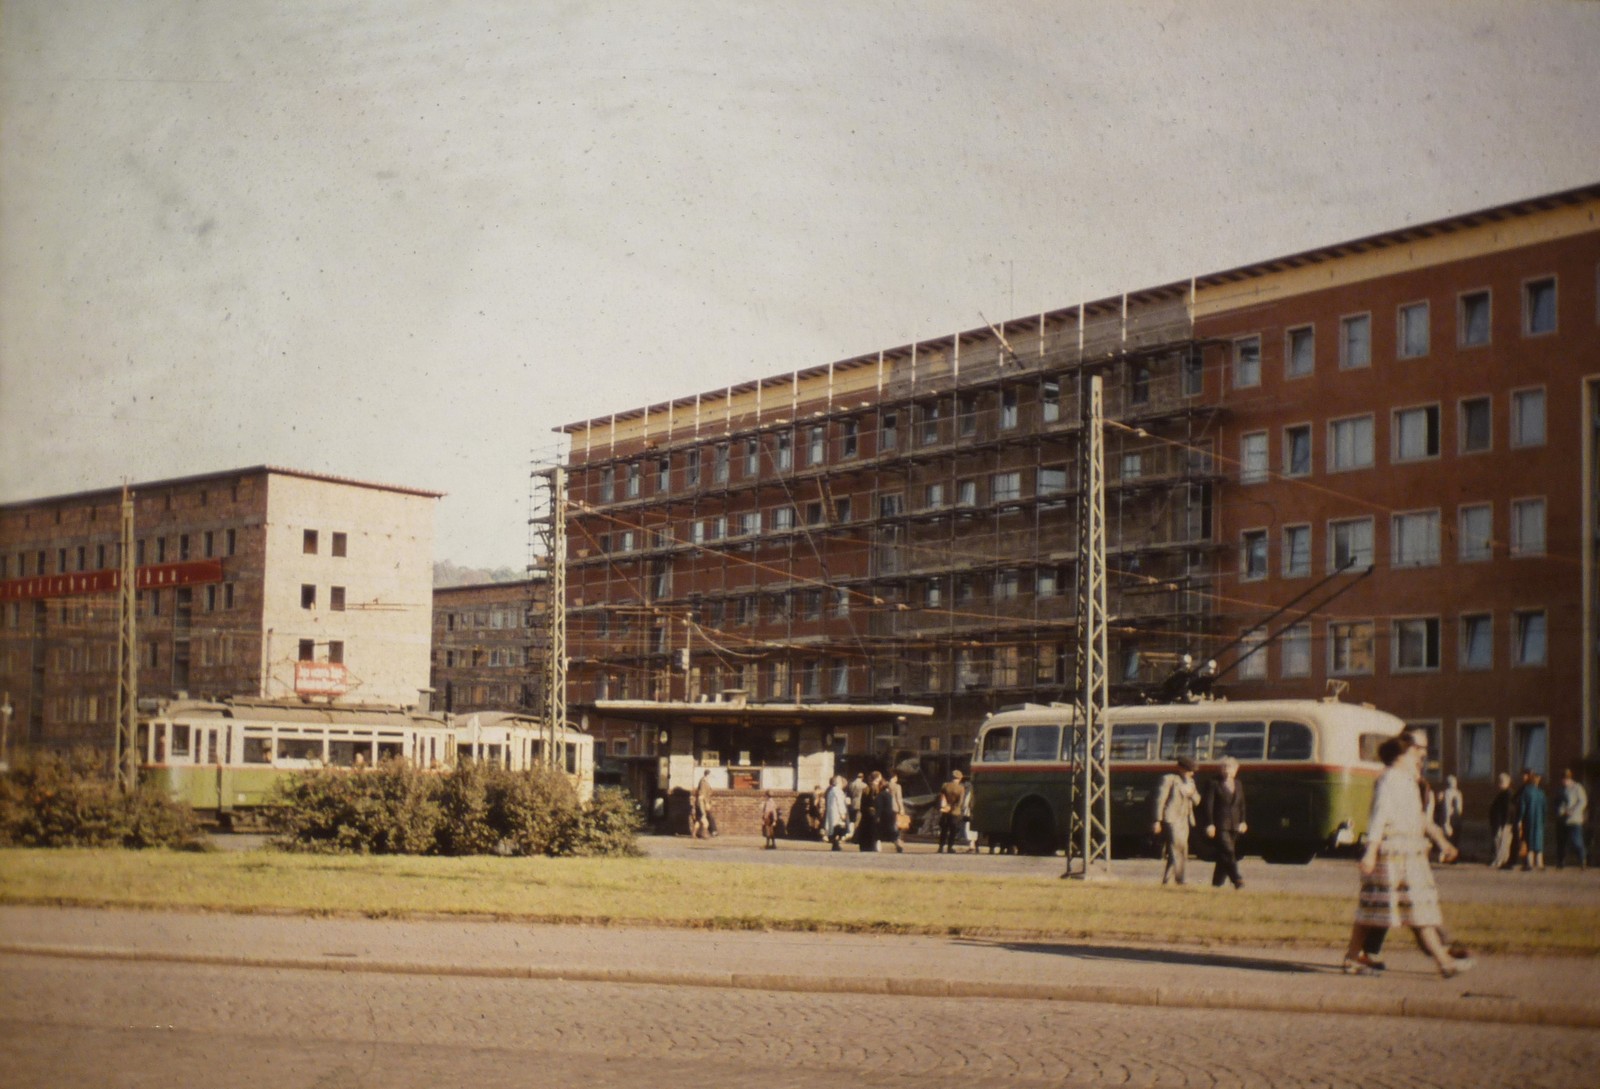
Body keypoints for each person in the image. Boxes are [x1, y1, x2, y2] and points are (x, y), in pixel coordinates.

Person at [1343, 735, 1469, 978]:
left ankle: (1443, 962)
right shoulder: (1389, 778)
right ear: (1401, 755)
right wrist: (1371, 851)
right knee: (1376, 910)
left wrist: (1442, 842)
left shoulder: (1407, 780)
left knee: (1406, 909)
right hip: (1391, 853)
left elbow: (1419, 818)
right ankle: (1444, 962)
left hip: (1409, 853)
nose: (1420, 757)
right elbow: (1379, 815)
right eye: (1415, 752)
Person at [1153, 755, 1200, 885]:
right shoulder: (1169, 779)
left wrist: (1192, 793)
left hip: (1185, 818)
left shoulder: (1191, 783)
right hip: (1172, 818)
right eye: (1189, 770)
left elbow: (1197, 800)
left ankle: (1167, 880)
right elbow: (1160, 800)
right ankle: (1180, 879)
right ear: (1181, 769)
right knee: (1177, 847)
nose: (1191, 773)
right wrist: (1157, 820)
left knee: (1181, 848)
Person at [1203, 755, 1247, 889]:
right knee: (1228, 851)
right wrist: (1210, 824)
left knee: (1224, 855)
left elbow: (1242, 805)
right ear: (1220, 769)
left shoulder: (1238, 784)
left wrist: (1243, 821)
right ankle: (1237, 879)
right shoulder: (1213, 783)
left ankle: (1217, 884)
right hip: (1220, 824)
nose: (1227, 771)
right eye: (1225, 768)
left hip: (1235, 825)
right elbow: (1208, 805)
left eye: (1231, 768)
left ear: (1236, 770)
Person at [1556, 768, 1588, 870]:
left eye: (1565, 779)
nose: (1564, 782)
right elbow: (1560, 803)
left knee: (1576, 841)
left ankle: (1582, 860)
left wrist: (1573, 811)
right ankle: (1561, 862)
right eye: (1562, 779)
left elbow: (1583, 801)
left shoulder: (1577, 788)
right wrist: (1561, 811)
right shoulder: (1562, 790)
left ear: (1569, 779)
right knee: (1562, 842)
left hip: (1575, 819)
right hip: (1564, 819)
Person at [1520, 771, 1548, 871]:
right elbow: (1545, 809)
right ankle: (1540, 863)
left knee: (1529, 841)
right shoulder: (1541, 793)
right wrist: (1544, 820)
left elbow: (1522, 807)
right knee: (1538, 841)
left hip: (1529, 819)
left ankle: (1530, 863)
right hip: (1539, 820)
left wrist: (1520, 819)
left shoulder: (1526, 792)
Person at [1488, 772, 1516, 869]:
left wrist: (1504, 823)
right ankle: (1500, 860)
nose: (1499, 783)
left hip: (1504, 823)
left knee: (1502, 842)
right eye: (1499, 781)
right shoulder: (1502, 794)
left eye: (1501, 781)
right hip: (1500, 823)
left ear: (1507, 782)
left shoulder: (1507, 794)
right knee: (1499, 841)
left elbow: (1508, 809)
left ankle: (1500, 860)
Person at [938, 769, 966, 853]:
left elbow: (941, 797)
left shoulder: (945, 785)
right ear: (960, 778)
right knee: (953, 830)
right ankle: (950, 847)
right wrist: (955, 808)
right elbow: (960, 802)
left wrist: (944, 806)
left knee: (944, 830)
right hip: (955, 812)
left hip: (945, 810)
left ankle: (941, 847)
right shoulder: (961, 788)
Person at [1436, 774, 1464, 858]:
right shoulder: (1458, 793)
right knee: (1455, 839)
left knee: (1448, 838)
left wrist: (1446, 821)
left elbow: (1447, 808)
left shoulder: (1447, 793)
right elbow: (1460, 809)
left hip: (1449, 819)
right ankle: (1454, 856)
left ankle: (1447, 855)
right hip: (1457, 819)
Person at [881, 770, 906, 854]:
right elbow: (899, 798)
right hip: (894, 808)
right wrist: (901, 808)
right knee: (895, 826)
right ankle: (898, 843)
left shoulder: (884, 785)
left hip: (885, 808)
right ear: (894, 777)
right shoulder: (897, 786)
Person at [876, 772, 901, 854]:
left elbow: (879, 806)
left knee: (878, 832)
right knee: (892, 832)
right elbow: (898, 799)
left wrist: (877, 816)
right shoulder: (889, 795)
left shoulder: (880, 795)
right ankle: (897, 844)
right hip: (891, 813)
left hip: (883, 816)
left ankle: (877, 847)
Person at [855, 773, 880, 852]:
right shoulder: (874, 788)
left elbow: (862, 802)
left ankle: (864, 846)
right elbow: (874, 801)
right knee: (872, 830)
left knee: (865, 829)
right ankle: (871, 846)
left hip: (865, 812)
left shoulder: (866, 788)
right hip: (872, 813)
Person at [824, 775, 849, 851]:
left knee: (834, 829)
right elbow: (840, 803)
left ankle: (835, 844)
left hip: (832, 813)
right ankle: (836, 843)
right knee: (839, 828)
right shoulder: (838, 791)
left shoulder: (831, 790)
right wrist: (842, 813)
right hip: (837, 813)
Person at [693, 771, 714, 839]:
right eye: (710, 775)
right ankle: (704, 834)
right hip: (701, 804)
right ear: (707, 775)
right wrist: (706, 803)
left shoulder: (704, 782)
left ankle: (694, 834)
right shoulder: (703, 782)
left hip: (700, 803)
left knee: (698, 820)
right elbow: (701, 795)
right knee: (705, 821)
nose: (711, 777)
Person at [846, 772, 867, 838]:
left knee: (852, 819)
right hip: (860, 803)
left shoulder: (851, 784)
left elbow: (848, 794)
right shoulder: (864, 785)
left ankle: (851, 832)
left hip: (852, 802)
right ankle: (855, 834)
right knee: (858, 819)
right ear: (862, 777)